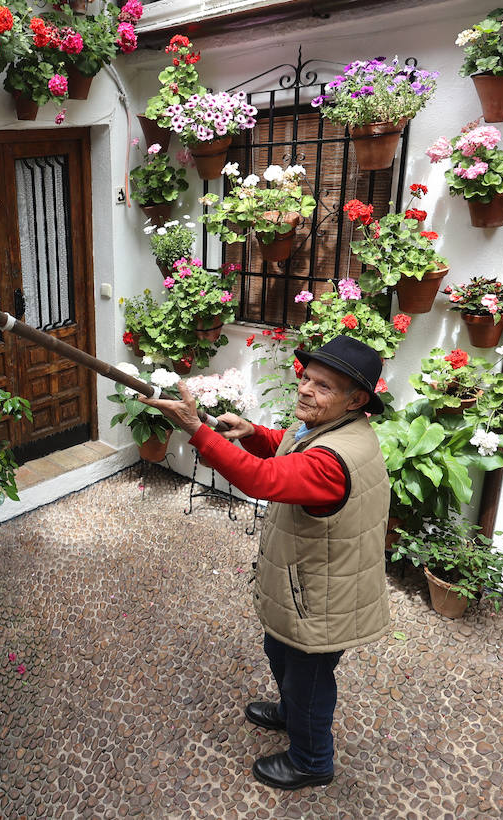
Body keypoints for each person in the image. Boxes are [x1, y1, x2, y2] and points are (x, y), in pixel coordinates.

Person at [140, 334, 392, 790]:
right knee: (279, 650)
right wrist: (255, 434)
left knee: (309, 680)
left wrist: (198, 430)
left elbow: (263, 479)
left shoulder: (336, 461)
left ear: (357, 399)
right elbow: (290, 449)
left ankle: (312, 761)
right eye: (306, 378)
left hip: (321, 602)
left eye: (323, 386)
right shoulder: (338, 431)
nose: (305, 389)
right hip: (313, 587)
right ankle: (292, 711)